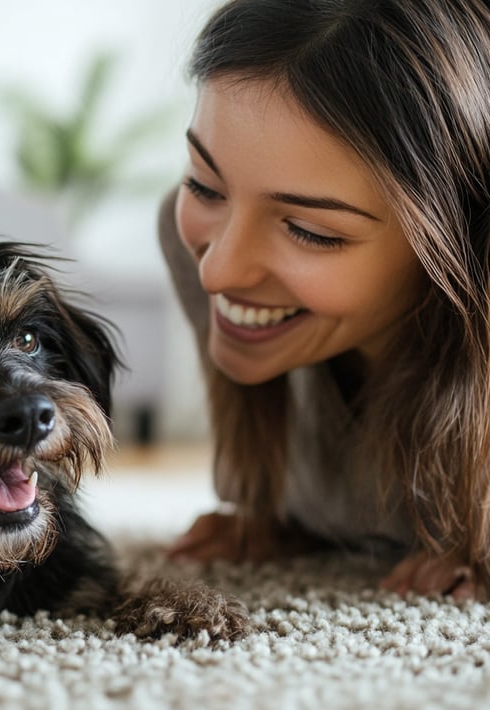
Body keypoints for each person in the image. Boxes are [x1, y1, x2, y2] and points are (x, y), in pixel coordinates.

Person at [161, 0, 490, 599]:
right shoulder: (188, 243)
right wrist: (282, 520)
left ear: (462, 245)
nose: (218, 271)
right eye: (204, 186)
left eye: (311, 231)